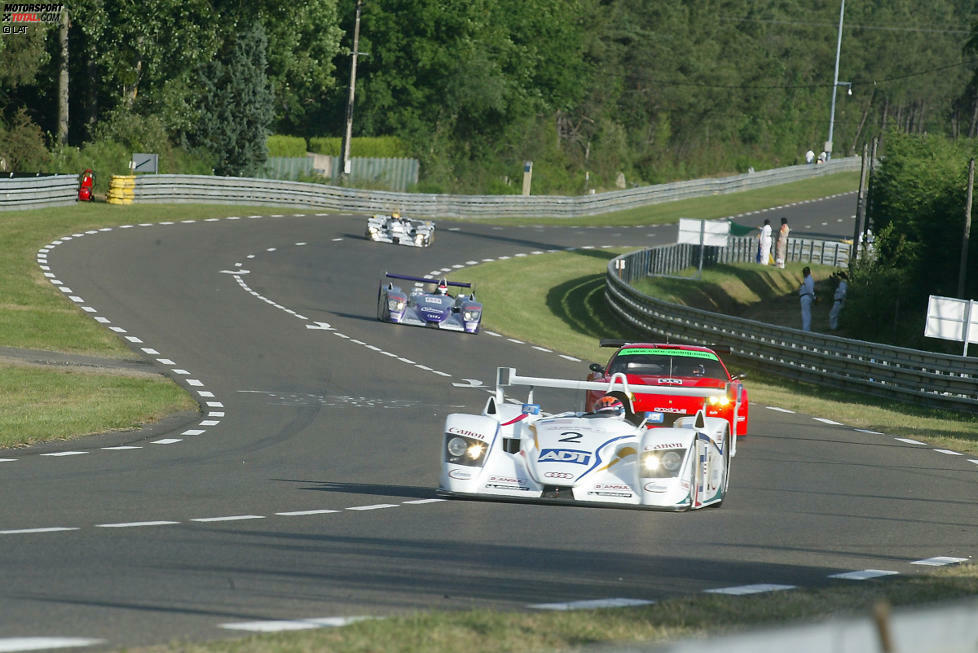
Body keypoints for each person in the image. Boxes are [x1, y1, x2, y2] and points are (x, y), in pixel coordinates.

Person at [799, 266, 815, 331]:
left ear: (808, 272)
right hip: (805, 297)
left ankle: (806, 329)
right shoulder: (807, 279)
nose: (804, 274)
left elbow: (810, 290)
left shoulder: (809, 279)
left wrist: (814, 298)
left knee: (806, 314)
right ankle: (806, 329)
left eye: (805, 272)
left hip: (806, 297)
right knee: (805, 313)